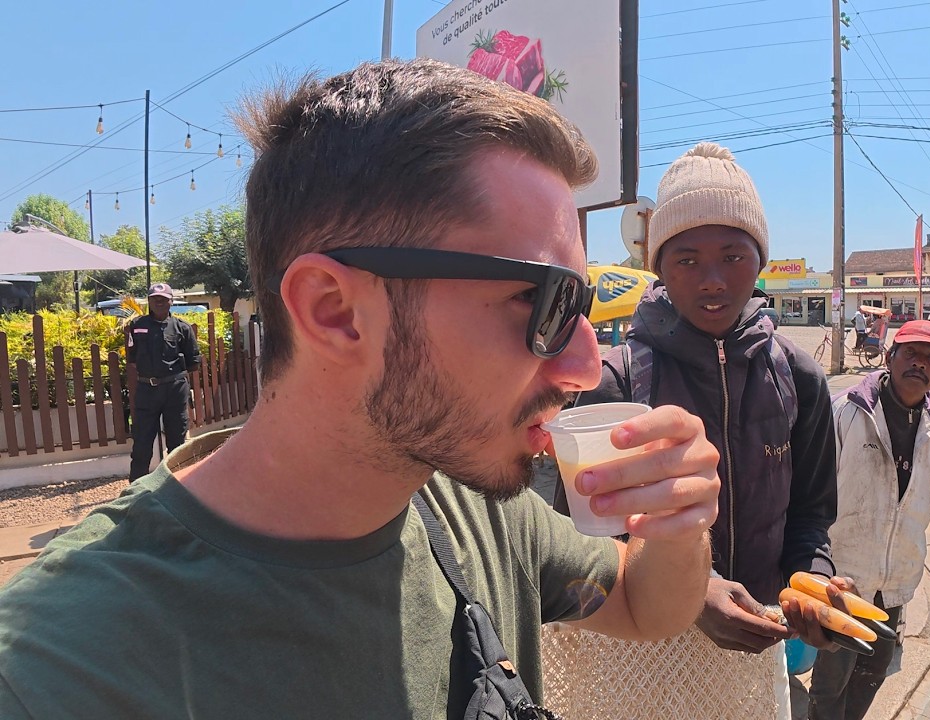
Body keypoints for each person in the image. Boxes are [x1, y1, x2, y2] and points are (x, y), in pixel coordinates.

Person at [0, 59, 726, 719]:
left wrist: (678, 524)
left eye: (583, 305)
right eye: (541, 303)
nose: (586, 366)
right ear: (334, 311)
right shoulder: (61, 672)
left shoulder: (470, 502)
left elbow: (641, 604)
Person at [555, 141, 848, 660]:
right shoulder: (616, 383)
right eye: (687, 260)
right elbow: (578, 542)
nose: (713, 281)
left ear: (760, 260)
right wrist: (693, 592)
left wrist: (813, 580)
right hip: (642, 654)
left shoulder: (798, 377)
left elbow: (810, 516)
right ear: (660, 268)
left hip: (760, 648)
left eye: (733, 257)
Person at [811, 321, 930, 720]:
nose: (919, 364)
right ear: (890, 357)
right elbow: (816, 486)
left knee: (874, 670)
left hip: (895, 581)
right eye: (911, 353)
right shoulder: (847, 411)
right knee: (832, 678)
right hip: (844, 574)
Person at [124, 282, 201, 480]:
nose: (158, 302)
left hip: (174, 390)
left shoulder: (182, 328)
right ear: (149, 301)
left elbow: (193, 362)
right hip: (146, 390)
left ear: (171, 302)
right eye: (154, 299)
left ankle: (178, 484)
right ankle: (136, 488)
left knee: (177, 443)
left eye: (163, 299)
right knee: (142, 442)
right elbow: (132, 358)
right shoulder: (137, 326)